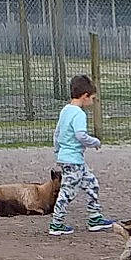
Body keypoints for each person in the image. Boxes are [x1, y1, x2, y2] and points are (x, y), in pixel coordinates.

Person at [48, 75, 110, 234]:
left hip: (70, 159)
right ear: (85, 96)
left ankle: (95, 217)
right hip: (73, 160)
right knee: (68, 191)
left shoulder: (65, 111)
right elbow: (80, 135)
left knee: (91, 183)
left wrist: (58, 151)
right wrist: (94, 142)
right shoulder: (79, 114)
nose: (93, 101)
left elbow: (57, 133)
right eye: (93, 98)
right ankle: (56, 222)